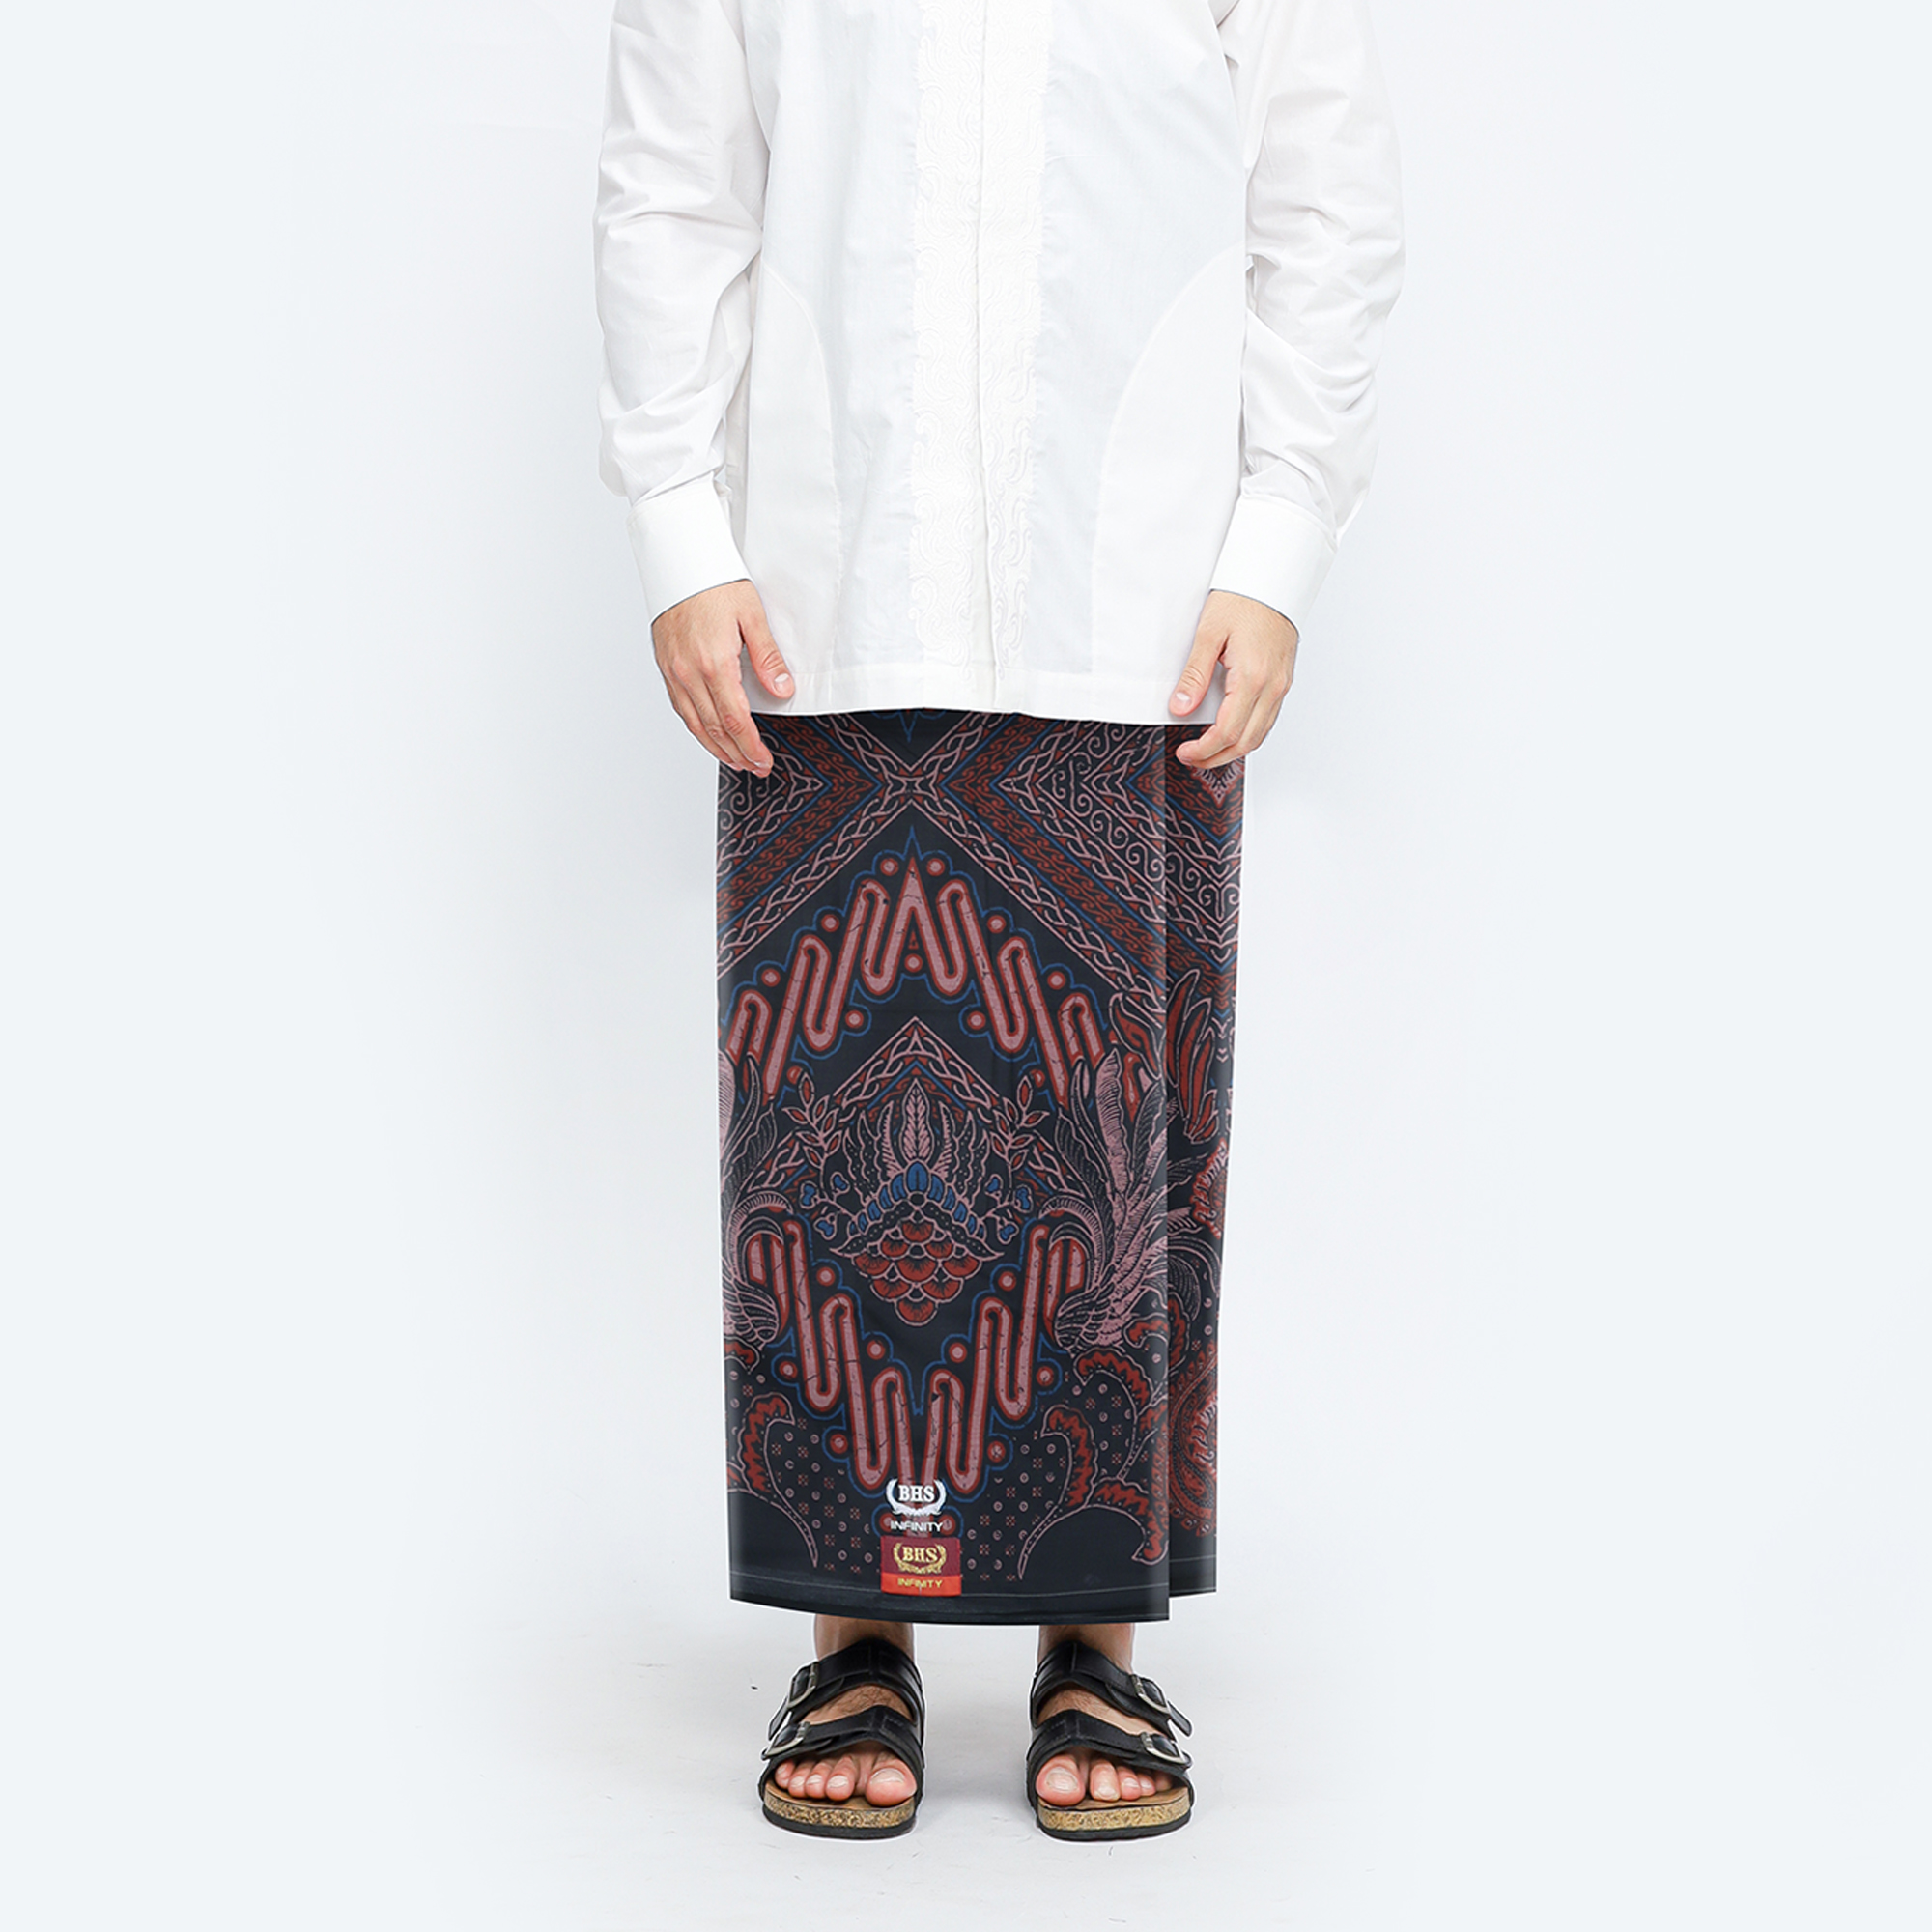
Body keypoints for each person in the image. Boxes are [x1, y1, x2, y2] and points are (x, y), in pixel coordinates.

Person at [593, 0, 1402, 1841]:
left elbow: (1325, 198)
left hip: (1134, 595)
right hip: (822, 586)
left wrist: (1278, 542)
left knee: (1114, 1157)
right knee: (823, 1151)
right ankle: (851, 1629)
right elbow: (673, 185)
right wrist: (682, 525)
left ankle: (1096, 1637)